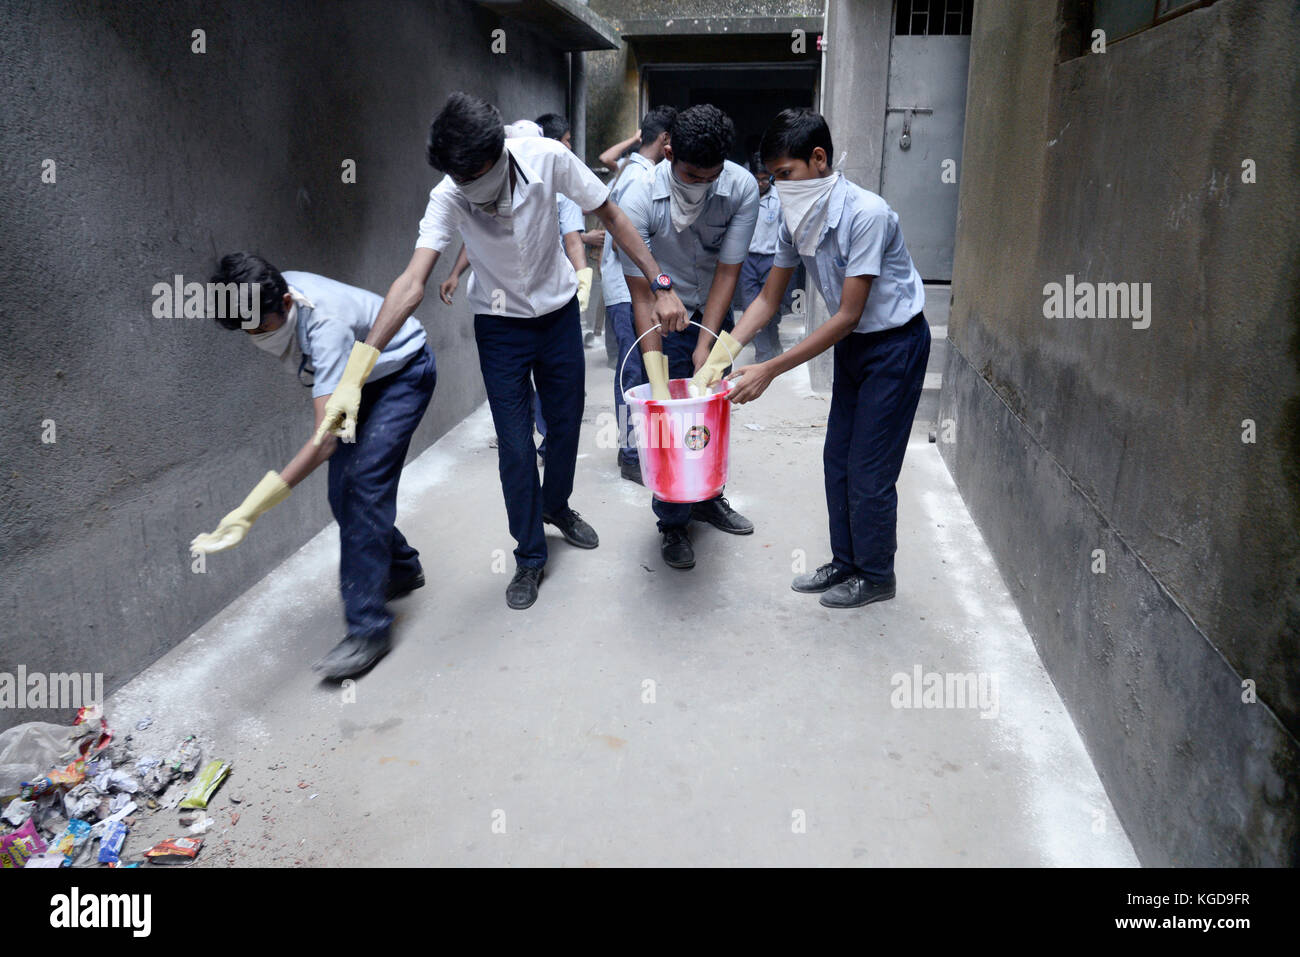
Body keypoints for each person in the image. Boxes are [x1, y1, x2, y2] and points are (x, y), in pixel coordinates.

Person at [312, 91, 687, 610]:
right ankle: (530, 556)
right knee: (514, 447)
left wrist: (659, 280)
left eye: (478, 183)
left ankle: (557, 507)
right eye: (462, 185)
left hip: (557, 318)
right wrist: (354, 373)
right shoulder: (449, 194)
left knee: (564, 424)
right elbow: (410, 282)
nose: (472, 196)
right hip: (499, 328)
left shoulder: (549, 159)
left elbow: (613, 215)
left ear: (500, 154)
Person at [719, 108, 930, 609]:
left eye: (786, 175)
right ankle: (846, 560)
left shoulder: (867, 214)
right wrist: (721, 352)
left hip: (894, 346)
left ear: (819, 159)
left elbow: (848, 315)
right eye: (772, 179)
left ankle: (876, 574)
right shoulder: (799, 218)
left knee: (869, 469)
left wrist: (770, 368)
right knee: (837, 458)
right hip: (856, 348)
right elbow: (769, 299)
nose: (778, 188)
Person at [191, 255, 436, 678]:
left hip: (402, 374)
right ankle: (401, 568)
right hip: (360, 381)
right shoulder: (266, 290)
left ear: (286, 302)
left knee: (361, 485)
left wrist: (251, 509)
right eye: (246, 330)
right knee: (342, 491)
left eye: (260, 327)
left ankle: (368, 631)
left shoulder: (325, 325)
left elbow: (324, 442)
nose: (255, 336)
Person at [616, 104, 759, 570]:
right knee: (669, 425)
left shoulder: (739, 188)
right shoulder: (636, 194)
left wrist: (709, 346)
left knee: (710, 411)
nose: (699, 185)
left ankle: (708, 496)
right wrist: (657, 381)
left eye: (708, 178)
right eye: (691, 175)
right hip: (661, 305)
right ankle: (673, 522)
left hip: (706, 307)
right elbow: (641, 295)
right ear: (669, 152)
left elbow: (727, 270)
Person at [438, 118, 592, 465]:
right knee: (517, 423)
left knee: (562, 404)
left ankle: (552, 468)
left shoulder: (555, 179)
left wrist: (583, 278)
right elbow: (474, 240)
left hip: (553, 306)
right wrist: (455, 274)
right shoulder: (469, 190)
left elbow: (572, 237)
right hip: (500, 314)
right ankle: (532, 445)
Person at [599, 105, 677, 484]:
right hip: (629, 289)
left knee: (640, 370)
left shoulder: (632, 169)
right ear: (665, 140)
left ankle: (638, 449)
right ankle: (632, 453)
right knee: (634, 371)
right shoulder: (640, 178)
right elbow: (621, 240)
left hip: (634, 288)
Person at [738, 152, 797, 363]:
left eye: (765, 178)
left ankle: (773, 341)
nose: (761, 183)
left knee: (772, 308)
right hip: (748, 261)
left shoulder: (778, 199)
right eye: (757, 178)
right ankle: (764, 355)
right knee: (750, 307)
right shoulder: (744, 197)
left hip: (772, 260)